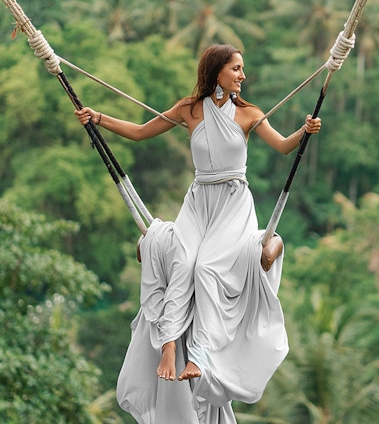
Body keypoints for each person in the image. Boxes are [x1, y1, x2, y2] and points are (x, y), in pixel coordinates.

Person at [75, 44, 321, 423]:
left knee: (207, 267)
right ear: (217, 70)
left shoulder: (249, 113)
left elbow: (284, 147)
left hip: (232, 204)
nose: (242, 75)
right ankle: (169, 346)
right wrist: (99, 119)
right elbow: (141, 132)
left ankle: (201, 353)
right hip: (199, 201)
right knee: (183, 262)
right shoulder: (190, 109)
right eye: (236, 68)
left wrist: (305, 132)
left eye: (242, 69)